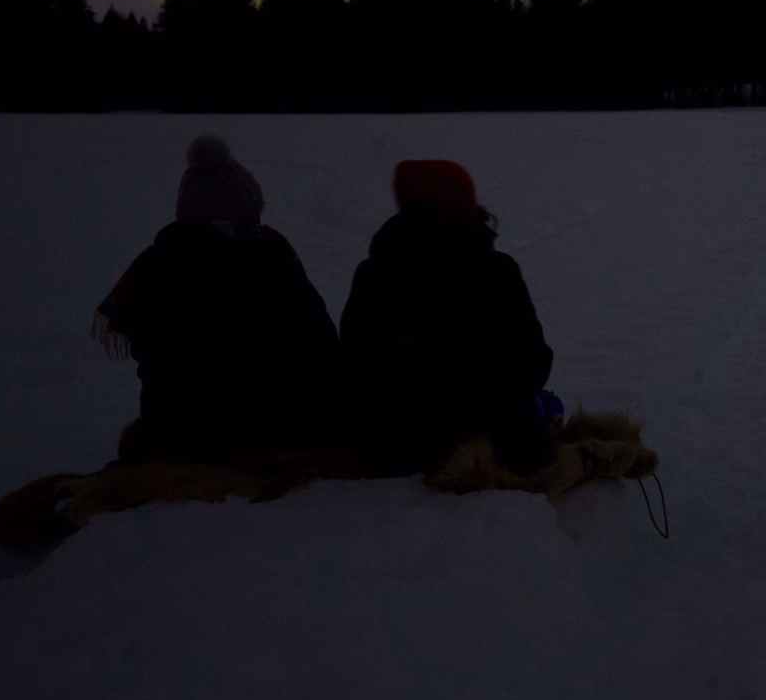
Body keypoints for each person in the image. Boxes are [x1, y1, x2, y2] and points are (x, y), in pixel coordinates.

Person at [94, 135, 339, 462]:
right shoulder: (272, 257)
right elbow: (321, 345)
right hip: (271, 429)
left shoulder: (156, 263)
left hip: (175, 431)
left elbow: (153, 357)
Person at [339, 160, 554, 475]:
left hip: (389, 449)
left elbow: (353, 367)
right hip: (498, 445)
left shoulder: (373, 274)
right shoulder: (496, 271)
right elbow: (534, 363)